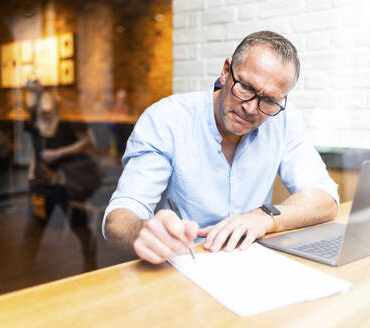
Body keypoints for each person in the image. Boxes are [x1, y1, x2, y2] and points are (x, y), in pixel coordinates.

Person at [103, 31, 339, 264]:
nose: (250, 109)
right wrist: (141, 230)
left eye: (268, 100)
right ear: (226, 71)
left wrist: (264, 217)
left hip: (250, 264)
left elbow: (325, 198)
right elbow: (121, 215)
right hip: (183, 264)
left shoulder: (284, 120)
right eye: (246, 87)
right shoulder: (166, 119)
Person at [24, 88, 98, 271]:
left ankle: (90, 264)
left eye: (49, 112)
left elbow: (89, 141)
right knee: (34, 227)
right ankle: (26, 271)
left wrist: (59, 153)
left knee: (79, 226)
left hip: (66, 182)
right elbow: (35, 146)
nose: (46, 116)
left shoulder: (68, 117)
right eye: (42, 113)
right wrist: (32, 173)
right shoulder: (34, 118)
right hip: (41, 182)